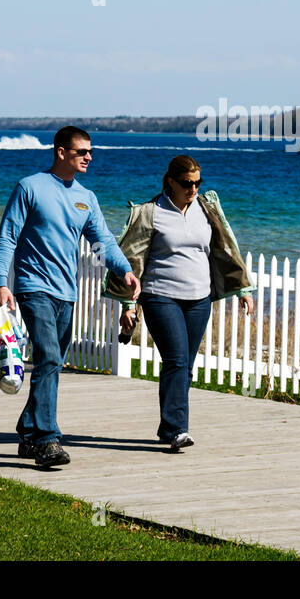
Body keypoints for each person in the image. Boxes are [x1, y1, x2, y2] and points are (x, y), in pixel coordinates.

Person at [0, 126, 139, 468]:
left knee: (53, 362)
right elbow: (7, 238)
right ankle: (48, 441)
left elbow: (102, 243)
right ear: (61, 152)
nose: (89, 157)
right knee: (47, 358)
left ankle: (28, 431)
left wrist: (124, 270)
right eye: (81, 151)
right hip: (32, 288)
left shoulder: (86, 197)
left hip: (66, 293)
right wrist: (2, 283)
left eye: (90, 151)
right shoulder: (30, 187)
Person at [103, 155, 255, 451]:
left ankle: (169, 425)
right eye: (187, 183)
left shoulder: (206, 209)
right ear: (170, 181)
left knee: (185, 365)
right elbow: (131, 258)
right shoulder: (151, 212)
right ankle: (176, 428)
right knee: (175, 360)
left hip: (199, 298)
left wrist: (242, 289)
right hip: (161, 295)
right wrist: (128, 306)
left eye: (198, 182)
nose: (193, 188)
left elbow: (226, 248)